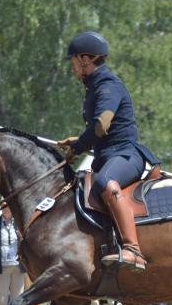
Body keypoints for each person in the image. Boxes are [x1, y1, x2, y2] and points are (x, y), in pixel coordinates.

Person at [57, 31, 159, 271]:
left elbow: (101, 125)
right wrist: (78, 141)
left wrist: (81, 145)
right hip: (108, 155)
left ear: (85, 60)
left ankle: (133, 249)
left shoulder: (107, 85)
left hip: (126, 155)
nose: (73, 68)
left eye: (74, 62)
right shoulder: (93, 88)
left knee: (105, 182)